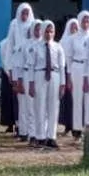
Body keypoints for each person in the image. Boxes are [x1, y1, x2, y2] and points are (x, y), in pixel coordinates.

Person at [30, 20, 68, 149]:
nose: (48, 34)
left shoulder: (58, 47)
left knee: (53, 107)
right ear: (42, 31)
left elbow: (62, 67)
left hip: (55, 75)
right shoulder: (35, 46)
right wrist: (31, 83)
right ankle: (40, 136)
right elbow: (31, 66)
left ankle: (51, 136)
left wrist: (63, 83)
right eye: (46, 31)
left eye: (51, 31)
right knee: (40, 106)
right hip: (40, 75)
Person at [6, 3, 35, 140]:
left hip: (31, 69)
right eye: (22, 13)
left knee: (31, 102)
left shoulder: (34, 25)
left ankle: (32, 131)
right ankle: (22, 130)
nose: (24, 16)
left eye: (27, 13)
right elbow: (9, 47)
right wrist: (10, 70)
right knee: (21, 101)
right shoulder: (14, 25)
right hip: (18, 67)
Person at [67, 10, 89, 137]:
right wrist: (68, 76)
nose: (86, 23)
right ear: (79, 21)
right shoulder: (73, 38)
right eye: (83, 20)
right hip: (77, 68)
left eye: (88, 21)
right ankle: (77, 128)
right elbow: (69, 58)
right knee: (77, 98)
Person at [59, 18, 80, 136]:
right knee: (67, 102)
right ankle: (68, 125)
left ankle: (76, 127)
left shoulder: (80, 41)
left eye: (76, 27)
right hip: (66, 72)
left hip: (77, 72)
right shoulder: (63, 42)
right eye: (72, 27)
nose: (74, 29)